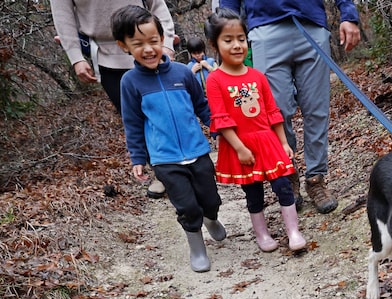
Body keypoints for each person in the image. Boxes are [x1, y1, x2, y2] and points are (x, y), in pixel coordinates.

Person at [219, 0, 361, 214]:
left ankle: (316, 178)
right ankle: (288, 172)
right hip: (264, 27)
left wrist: (348, 14)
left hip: (311, 22)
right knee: (276, 110)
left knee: (316, 108)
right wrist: (227, 34)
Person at [113, 5, 226, 272]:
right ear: (124, 46)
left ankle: (211, 218)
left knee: (210, 198)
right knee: (187, 205)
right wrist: (138, 158)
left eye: (154, 41)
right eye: (138, 43)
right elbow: (133, 122)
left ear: (163, 39)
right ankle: (197, 247)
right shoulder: (130, 82)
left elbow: (201, 105)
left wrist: (217, 127)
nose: (149, 48)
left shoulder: (182, 73)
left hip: (197, 150)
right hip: (165, 158)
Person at [50, 0, 176, 199]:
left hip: (148, 47)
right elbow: (63, 15)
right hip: (106, 56)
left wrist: (166, 42)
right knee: (136, 119)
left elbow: (157, 4)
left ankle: (183, 163)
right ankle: (162, 173)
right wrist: (76, 57)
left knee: (164, 111)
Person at [205, 8, 306, 253]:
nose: (237, 45)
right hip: (240, 144)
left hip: (268, 141)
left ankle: (293, 231)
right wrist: (239, 148)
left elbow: (273, 112)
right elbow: (221, 119)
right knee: (253, 192)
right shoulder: (215, 80)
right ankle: (262, 234)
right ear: (214, 44)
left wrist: (283, 143)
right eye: (228, 40)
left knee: (283, 184)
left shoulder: (258, 76)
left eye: (241, 39)